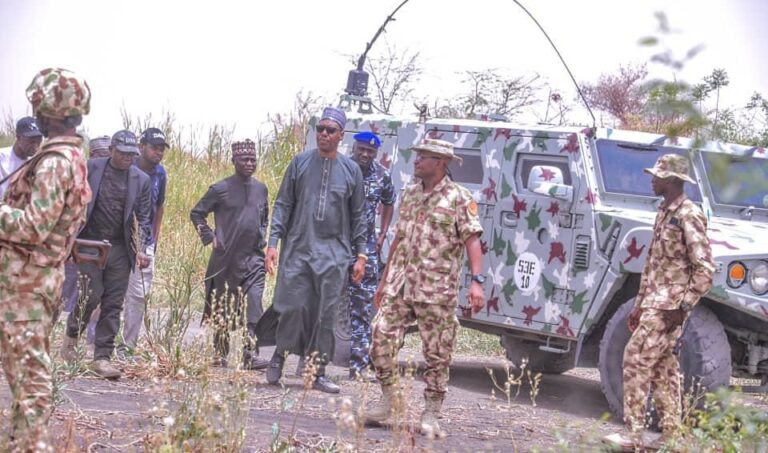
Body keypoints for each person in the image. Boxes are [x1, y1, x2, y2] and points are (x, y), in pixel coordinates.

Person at [364, 139, 485, 438]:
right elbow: (399, 240)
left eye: (422, 157)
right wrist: (383, 280)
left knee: (437, 354)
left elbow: (472, 240)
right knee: (379, 337)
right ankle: (390, 399)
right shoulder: (410, 194)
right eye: (416, 156)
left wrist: (477, 283)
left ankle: (431, 412)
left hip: (436, 288)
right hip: (401, 283)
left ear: (440, 162)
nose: (416, 161)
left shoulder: (459, 198)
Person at [0, 67, 92, 452]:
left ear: (48, 109)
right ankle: (21, 440)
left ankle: (34, 445)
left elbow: (34, 227)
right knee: (22, 372)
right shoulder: (65, 156)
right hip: (32, 278)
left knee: (30, 373)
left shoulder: (56, 162)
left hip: (28, 279)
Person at [264, 107, 367, 393]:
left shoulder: (351, 171)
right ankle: (279, 356)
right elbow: (283, 205)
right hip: (298, 247)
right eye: (320, 129)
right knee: (292, 306)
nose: (323, 134)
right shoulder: (299, 163)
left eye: (330, 130)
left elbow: (359, 215)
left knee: (325, 313)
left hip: (335, 254)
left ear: (340, 135)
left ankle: (317, 372)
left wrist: (361, 255)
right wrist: (273, 243)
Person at [618, 154, 714, 447]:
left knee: (634, 360)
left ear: (672, 180)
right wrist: (638, 305)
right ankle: (672, 436)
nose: (652, 179)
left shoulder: (689, 214)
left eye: (657, 175)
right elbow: (652, 265)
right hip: (653, 304)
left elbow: (705, 269)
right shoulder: (664, 212)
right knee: (664, 369)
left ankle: (633, 433)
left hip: (669, 308)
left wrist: (682, 308)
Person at [61, 130, 152, 380]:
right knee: (90, 296)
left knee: (113, 302)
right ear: (111, 149)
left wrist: (141, 248)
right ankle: (71, 338)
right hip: (89, 242)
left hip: (121, 248)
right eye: (122, 153)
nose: (126, 158)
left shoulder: (141, 180)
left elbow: (143, 218)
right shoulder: (91, 167)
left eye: (131, 154)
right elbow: (72, 199)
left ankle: (102, 357)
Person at [190, 139, 270, 369]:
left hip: (254, 258)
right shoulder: (220, 189)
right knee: (223, 306)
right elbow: (197, 214)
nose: (249, 163)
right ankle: (220, 352)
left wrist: (261, 237)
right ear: (233, 161)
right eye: (244, 159)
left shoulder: (261, 189)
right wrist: (210, 237)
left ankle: (249, 354)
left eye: (253, 159)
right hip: (226, 259)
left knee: (254, 304)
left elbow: (264, 217)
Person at [346, 131, 396, 380]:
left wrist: (383, 232)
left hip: (366, 247)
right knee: (323, 305)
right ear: (354, 147)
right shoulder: (340, 169)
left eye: (370, 151)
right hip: (337, 245)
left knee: (363, 309)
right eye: (362, 149)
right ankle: (312, 364)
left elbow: (389, 201)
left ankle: (358, 367)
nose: (365, 154)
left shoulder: (381, 174)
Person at [120, 127, 169, 354]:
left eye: (161, 148)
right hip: (121, 239)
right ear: (141, 147)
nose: (158, 152)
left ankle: (127, 346)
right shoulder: (127, 167)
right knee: (111, 293)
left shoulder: (161, 173)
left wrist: (154, 241)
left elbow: (159, 207)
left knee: (139, 295)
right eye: (154, 147)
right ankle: (97, 340)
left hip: (146, 241)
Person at [0, 116, 44, 198]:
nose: (35, 146)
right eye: (31, 141)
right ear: (18, 137)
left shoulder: (37, 162)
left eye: (39, 141)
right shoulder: (2, 158)